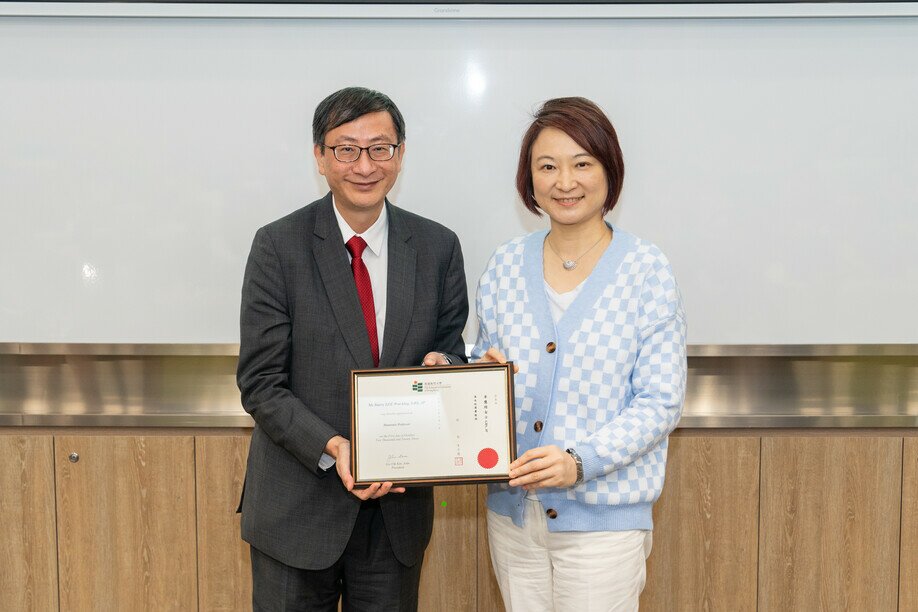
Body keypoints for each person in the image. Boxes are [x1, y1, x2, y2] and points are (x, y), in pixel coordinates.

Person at [236, 86, 468, 611]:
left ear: (400, 155)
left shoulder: (437, 247)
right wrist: (337, 447)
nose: (364, 165)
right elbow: (261, 383)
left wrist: (447, 369)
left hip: (395, 519)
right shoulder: (278, 246)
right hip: (296, 510)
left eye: (379, 148)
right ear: (320, 157)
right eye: (346, 149)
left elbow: (448, 350)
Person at [474, 97, 687, 611]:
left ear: (609, 171)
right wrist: (472, 374)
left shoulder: (645, 269)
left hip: (602, 528)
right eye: (547, 166)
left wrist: (578, 463)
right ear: (530, 180)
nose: (564, 181)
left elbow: (659, 401)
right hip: (513, 519)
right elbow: (484, 361)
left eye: (582, 163)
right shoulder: (505, 264)